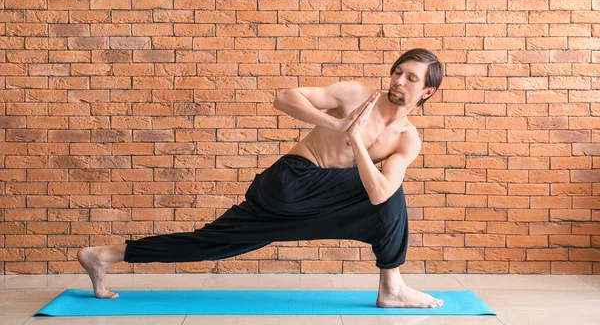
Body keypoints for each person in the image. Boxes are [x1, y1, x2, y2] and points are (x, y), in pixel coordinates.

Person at [77, 48, 444, 308]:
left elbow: (378, 194)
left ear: (426, 91)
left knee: (213, 243)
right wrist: (337, 123)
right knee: (389, 196)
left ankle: (104, 255)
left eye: (411, 78)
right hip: (289, 182)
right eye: (398, 71)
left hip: (312, 203)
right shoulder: (355, 95)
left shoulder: (407, 139)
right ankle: (392, 288)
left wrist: (355, 142)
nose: (398, 80)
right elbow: (285, 99)